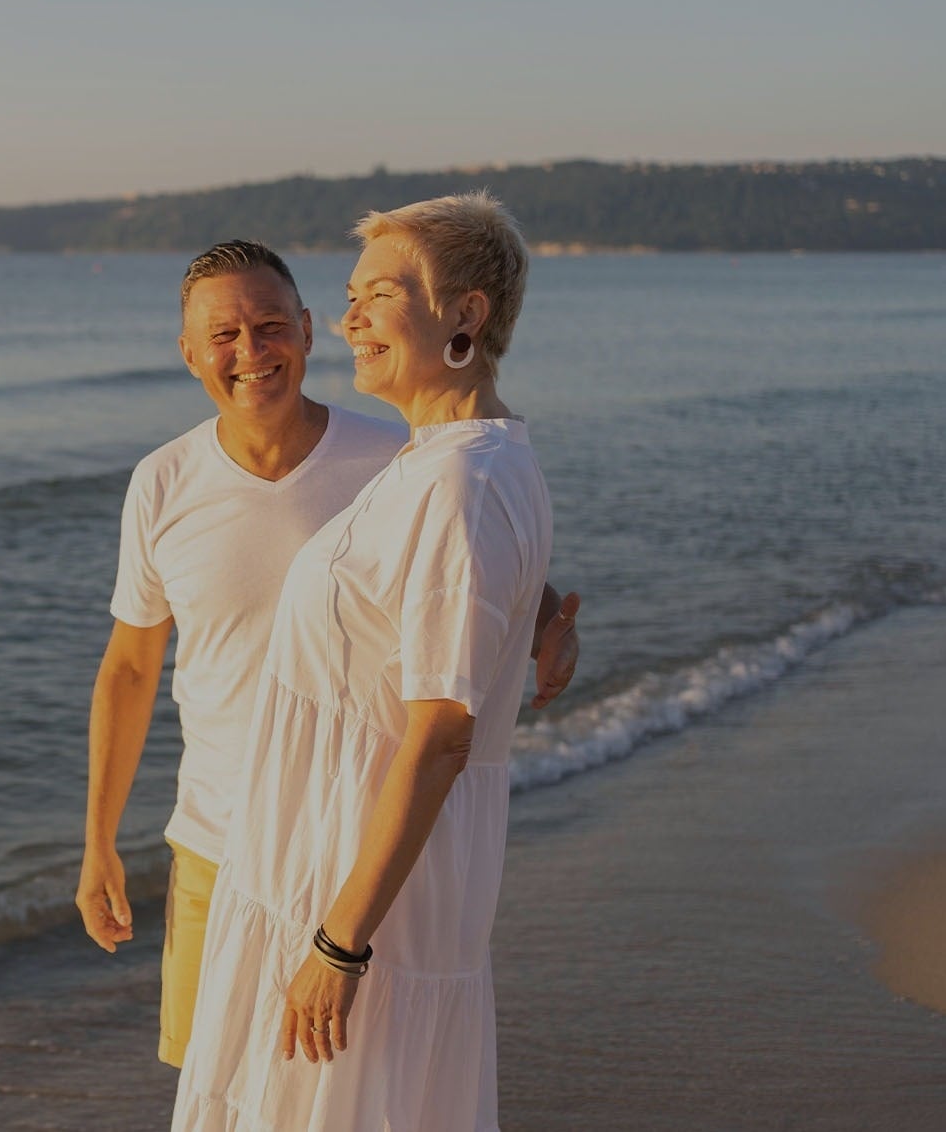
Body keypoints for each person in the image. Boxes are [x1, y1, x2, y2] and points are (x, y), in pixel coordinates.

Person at [77, 239, 580, 1071]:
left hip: (352, 839)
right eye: (225, 336)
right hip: (217, 840)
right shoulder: (161, 483)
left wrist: (544, 626)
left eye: (270, 325)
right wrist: (98, 844)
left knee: (343, 1093)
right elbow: (130, 669)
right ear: (190, 354)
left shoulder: (396, 459)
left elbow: (470, 564)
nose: (251, 353)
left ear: (309, 331)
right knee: (216, 1089)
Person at [169, 193, 553, 1131]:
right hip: (322, 872)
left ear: (466, 312)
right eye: (350, 295)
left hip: (359, 900)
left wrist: (339, 948)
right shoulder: (444, 464)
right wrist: (545, 619)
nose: (349, 320)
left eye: (380, 293)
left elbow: (440, 738)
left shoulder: (459, 483)